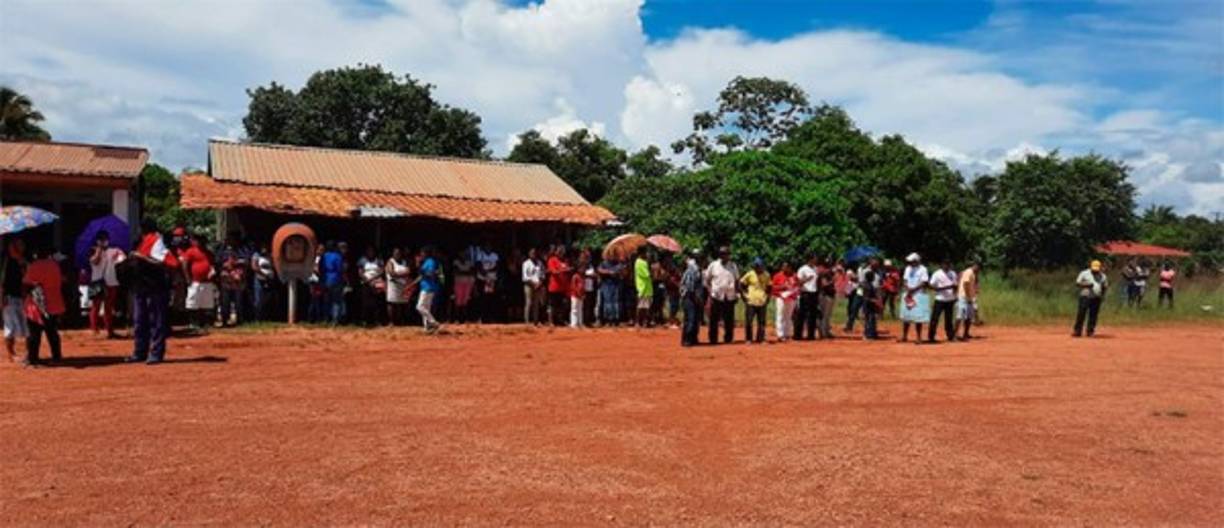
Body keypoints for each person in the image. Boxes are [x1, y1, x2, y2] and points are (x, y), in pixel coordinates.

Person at [128, 219, 176, 365]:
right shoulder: (142, 242)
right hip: (141, 286)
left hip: (154, 287)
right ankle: (140, 352)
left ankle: (156, 353)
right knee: (139, 321)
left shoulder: (155, 240)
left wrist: (142, 257)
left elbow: (165, 262)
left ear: (143, 228)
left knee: (156, 321)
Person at [23, 246, 64, 365]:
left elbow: (26, 284)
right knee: (52, 332)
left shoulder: (34, 266)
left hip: (37, 305)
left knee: (34, 333)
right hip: (54, 302)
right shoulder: (55, 265)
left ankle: (33, 358)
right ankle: (56, 356)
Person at [87, 231, 124, 338]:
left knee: (109, 308)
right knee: (95, 307)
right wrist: (98, 251)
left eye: (105, 239)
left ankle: (109, 330)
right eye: (101, 239)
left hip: (111, 281)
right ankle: (94, 329)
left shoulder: (114, 251)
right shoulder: (92, 250)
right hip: (96, 281)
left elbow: (121, 260)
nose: (103, 242)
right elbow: (95, 262)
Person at [180, 235, 216, 332]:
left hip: (207, 282)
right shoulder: (190, 251)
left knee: (206, 303)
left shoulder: (209, 253)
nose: (200, 242)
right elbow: (185, 265)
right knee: (193, 302)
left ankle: (205, 323)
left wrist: (212, 272)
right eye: (198, 240)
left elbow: (212, 265)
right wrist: (188, 278)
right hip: (195, 281)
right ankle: (193, 323)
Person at [2, 238, 29, 364]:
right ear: (11, 247)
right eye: (18, 245)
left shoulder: (23, 260)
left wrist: (22, 262)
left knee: (25, 326)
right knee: (10, 326)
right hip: (9, 296)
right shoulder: (5, 261)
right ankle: (11, 353)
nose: (21, 247)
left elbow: (28, 275)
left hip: (22, 296)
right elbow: (1, 281)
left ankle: (27, 353)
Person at [704, 246, 739, 344]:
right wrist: (710, 292)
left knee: (729, 320)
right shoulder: (713, 265)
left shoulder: (733, 266)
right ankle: (713, 339)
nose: (725, 256)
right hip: (716, 296)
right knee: (713, 319)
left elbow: (737, 280)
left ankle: (728, 339)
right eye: (722, 254)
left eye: (727, 254)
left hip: (729, 296)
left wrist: (737, 293)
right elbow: (707, 280)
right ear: (719, 255)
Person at [217, 235, 249, 327]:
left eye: (233, 240)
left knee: (238, 300)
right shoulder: (222, 250)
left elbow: (246, 260)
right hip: (226, 278)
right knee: (225, 300)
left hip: (238, 278)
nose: (230, 242)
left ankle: (240, 320)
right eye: (228, 240)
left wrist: (236, 262)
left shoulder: (242, 250)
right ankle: (224, 320)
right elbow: (217, 260)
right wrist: (226, 264)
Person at [898, 253, 930, 343]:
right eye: (910, 261)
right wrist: (907, 288)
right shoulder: (908, 268)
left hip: (918, 295)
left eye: (912, 261)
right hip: (908, 294)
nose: (911, 262)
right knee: (906, 316)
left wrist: (913, 289)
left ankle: (919, 337)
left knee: (918, 317)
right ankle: (904, 336)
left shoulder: (923, 269)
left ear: (917, 260)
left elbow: (924, 282)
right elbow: (905, 280)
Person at [1073, 260, 1109, 338]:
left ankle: (1090, 331)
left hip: (1096, 297)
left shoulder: (1103, 276)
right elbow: (1078, 283)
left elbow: (1104, 286)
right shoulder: (1084, 273)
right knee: (1081, 314)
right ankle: (1077, 331)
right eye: (1094, 269)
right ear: (1090, 267)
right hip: (1085, 296)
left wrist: (1102, 295)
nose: (1095, 271)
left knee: (1093, 315)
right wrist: (1086, 285)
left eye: (1097, 270)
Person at [738, 258, 770, 344]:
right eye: (757, 266)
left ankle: (761, 339)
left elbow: (769, 287)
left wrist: (768, 297)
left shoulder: (766, 275)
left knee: (762, 322)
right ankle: (749, 339)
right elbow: (740, 284)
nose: (759, 268)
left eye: (760, 266)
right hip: (751, 301)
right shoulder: (750, 274)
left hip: (762, 301)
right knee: (749, 321)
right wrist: (743, 296)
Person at [927, 260, 957, 343]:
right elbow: (931, 286)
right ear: (942, 265)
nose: (947, 266)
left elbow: (955, 285)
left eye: (948, 264)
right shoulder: (937, 274)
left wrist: (955, 295)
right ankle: (931, 337)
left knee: (949, 319)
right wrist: (945, 288)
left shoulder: (953, 273)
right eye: (945, 264)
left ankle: (950, 336)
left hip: (950, 299)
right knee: (935, 318)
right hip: (940, 299)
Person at [679, 250, 705, 347]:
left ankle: (693, 338)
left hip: (695, 297)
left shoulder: (697, 269)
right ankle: (687, 339)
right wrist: (697, 298)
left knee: (695, 319)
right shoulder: (692, 270)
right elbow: (690, 287)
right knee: (690, 318)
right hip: (690, 297)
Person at [357, 246, 385, 327]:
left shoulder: (379, 260)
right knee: (366, 303)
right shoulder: (362, 260)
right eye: (369, 251)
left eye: (372, 251)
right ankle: (365, 321)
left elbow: (382, 271)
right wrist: (367, 280)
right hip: (366, 283)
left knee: (377, 303)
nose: (370, 253)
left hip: (377, 283)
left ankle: (377, 320)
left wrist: (373, 279)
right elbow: (360, 272)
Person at [385, 247, 413, 326]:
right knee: (392, 303)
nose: (397, 255)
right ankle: (391, 322)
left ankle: (402, 321)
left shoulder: (404, 262)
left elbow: (408, 272)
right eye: (396, 253)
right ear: (393, 254)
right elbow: (391, 273)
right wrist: (402, 274)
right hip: (393, 285)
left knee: (402, 303)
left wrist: (398, 275)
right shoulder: (390, 261)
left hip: (403, 285)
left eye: (399, 253)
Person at [416, 246, 442, 333]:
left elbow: (430, 274)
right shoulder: (427, 262)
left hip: (428, 287)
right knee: (426, 308)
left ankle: (433, 322)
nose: (421, 255)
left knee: (419, 307)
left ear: (426, 253)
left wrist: (420, 268)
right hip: (426, 286)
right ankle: (427, 327)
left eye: (422, 253)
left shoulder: (430, 262)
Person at [771, 262, 798, 343]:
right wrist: (782, 287)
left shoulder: (793, 276)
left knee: (789, 317)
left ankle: (788, 334)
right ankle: (780, 335)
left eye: (787, 267)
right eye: (783, 267)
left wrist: (794, 289)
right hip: (781, 298)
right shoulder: (777, 276)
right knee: (780, 316)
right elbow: (773, 287)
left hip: (791, 298)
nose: (785, 268)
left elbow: (797, 284)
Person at [794, 255, 819, 341]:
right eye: (814, 259)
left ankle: (811, 335)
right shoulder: (802, 269)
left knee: (812, 315)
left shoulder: (815, 269)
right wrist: (807, 279)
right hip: (805, 293)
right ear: (809, 260)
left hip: (813, 293)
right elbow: (798, 282)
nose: (816, 260)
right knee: (802, 314)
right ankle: (797, 335)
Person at [547, 245, 572, 327]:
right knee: (552, 305)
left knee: (562, 305)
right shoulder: (552, 260)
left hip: (563, 287)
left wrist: (568, 270)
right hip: (554, 287)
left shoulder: (565, 261)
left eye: (562, 251)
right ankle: (551, 321)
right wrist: (564, 270)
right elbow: (553, 272)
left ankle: (560, 320)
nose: (561, 253)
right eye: (559, 251)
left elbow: (568, 269)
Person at [955, 262, 981, 340]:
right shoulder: (968, 272)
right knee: (960, 315)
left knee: (969, 316)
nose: (978, 270)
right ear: (975, 266)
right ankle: (955, 334)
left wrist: (972, 295)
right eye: (978, 268)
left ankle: (966, 333)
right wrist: (968, 296)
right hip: (963, 296)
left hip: (969, 297)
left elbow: (974, 284)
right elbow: (965, 284)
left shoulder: (973, 273)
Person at [250, 243, 276, 322]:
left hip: (269, 280)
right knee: (259, 300)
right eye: (263, 247)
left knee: (268, 299)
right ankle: (258, 318)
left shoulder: (270, 255)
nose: (264, 249)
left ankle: (267, 317)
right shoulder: (256, 255)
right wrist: (264, 274)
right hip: (259, 279)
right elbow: (254, 267)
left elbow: (274, 265)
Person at [598, 257, 624, 326]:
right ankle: (608, 320)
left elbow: (622, 271)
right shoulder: (604, 263)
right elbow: (599, 270)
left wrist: (618, 272)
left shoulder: (618, 264)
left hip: (616, 284)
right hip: (606, 284)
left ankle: (616, 319)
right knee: (608, 302)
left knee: (616, 302)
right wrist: (609, 272)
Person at [521, 248, 545, 325]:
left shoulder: (540, 263)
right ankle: (527, 321)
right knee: (528, 303)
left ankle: (535, 321)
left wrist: (539, 283)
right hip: (529, 285)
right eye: (532, 253)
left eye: (534, 253)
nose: (533, 255)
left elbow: (542, 274)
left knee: (536, 304)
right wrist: (533, 284)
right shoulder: (525, 263)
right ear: (529, 254)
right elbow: (525, 277)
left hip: (538, 285)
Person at [451, 249, 476, 323]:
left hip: (468, 283)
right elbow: (455, 272)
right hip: (458, 282)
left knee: (466, 300)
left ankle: (465, 318)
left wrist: (462, 272)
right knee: (458, 301)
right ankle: (457, 318)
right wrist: (466, 272)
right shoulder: (456, 262)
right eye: (462, 253)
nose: (463, 255)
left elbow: (472, 272)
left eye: (464, 253)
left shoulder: (469, 262)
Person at [860, 258, 882, 340]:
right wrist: (873, 300)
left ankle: (872, 332)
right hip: (868, 304)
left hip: (871, 304)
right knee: (868, 319)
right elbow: (865, 296)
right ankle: (867, 334)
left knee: (872, 318)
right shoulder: (867, 286)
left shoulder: (870, 285)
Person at [816, 258, 837, 339]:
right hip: (825, 296)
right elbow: (824, 284)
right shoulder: (825, 273)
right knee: (825, 315)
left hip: (828, 295)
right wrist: (833, 281)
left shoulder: (827, 272)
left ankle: (825, 331)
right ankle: (823, 333)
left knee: (826, 315)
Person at [633, 246, 653, 329]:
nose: (647, 254)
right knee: (641, 306)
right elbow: (647, 274)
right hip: (642, 287)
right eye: (646, 252)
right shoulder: (639, 262)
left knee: (647, 307)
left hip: (647, 288)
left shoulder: (643, 262)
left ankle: (645, 322)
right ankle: (637, 322)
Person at [569, 256, 585, 329]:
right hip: (575, 295)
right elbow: (573, 286)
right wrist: (578, 294)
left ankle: (580, 323)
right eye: (581, 268)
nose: (583, 269)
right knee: (574, 309)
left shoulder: (582, 277)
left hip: (581, 295)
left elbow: (583, 286)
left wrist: (583, 294)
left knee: (580, 309)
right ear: (578, 269)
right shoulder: (575, 276)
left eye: (583, 268)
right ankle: (573, 324)